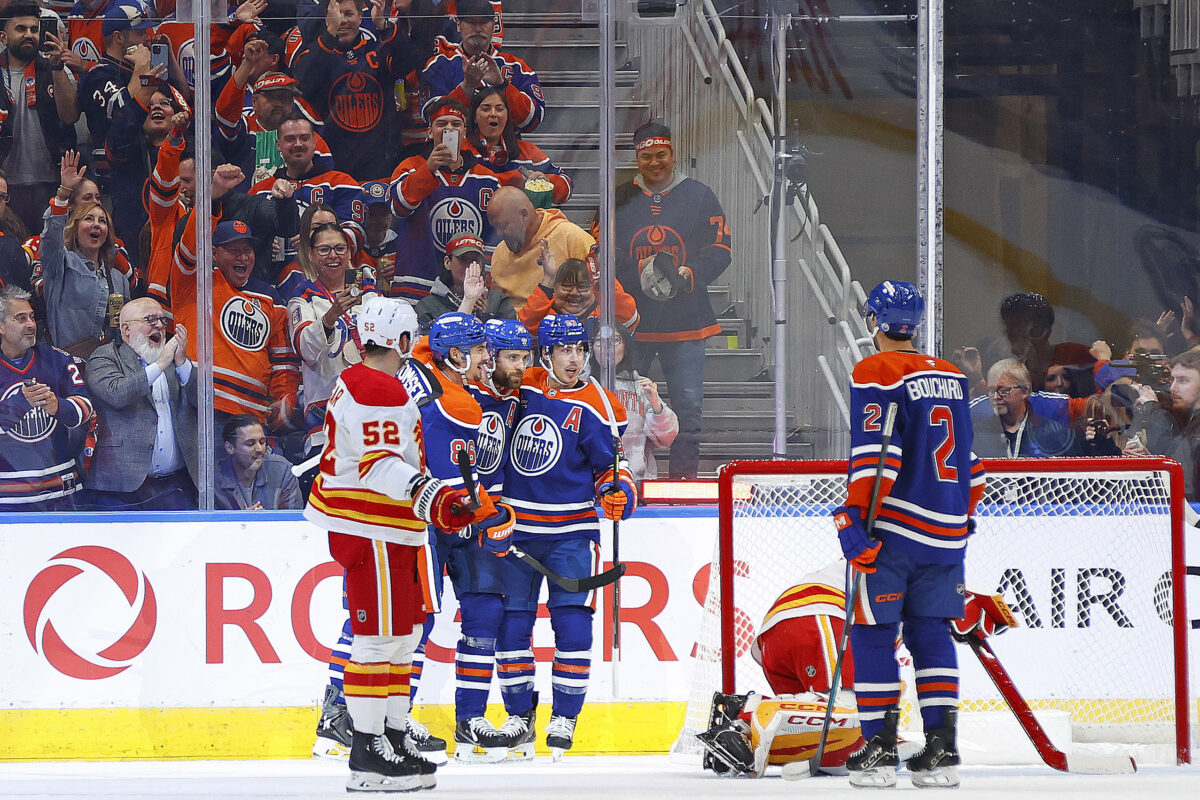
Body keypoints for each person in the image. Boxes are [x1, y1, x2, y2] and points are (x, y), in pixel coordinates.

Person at [304, 295, 478, 792]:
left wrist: (435, 498)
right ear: (401, 340)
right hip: (370, 528)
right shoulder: (375, 387)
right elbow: (378, 466)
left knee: (402, 639)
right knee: (378, 641)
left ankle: (394, 735)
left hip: (391, 527)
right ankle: (367, 750)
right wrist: (434, 496)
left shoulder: (369, 381)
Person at [835, 280, 985, 789]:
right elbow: (973, 466)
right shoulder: (952, 375)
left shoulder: (875, 369)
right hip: (945, 535)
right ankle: (942, 750)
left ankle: (879, 748)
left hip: (894, 531)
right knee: (931, 633)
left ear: (874, 321)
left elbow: (881, 456)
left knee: (873, 632)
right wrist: (960, 520)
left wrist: (855, 519)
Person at [495, 313, 635, 759]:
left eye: (579, 350)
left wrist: (620, 491)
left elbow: (611, 469)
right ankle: (519, 716)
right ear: (546, 353)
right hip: (517, 530)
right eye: (564, 350)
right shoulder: (524, 386)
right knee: (512, 626)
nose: (573, 359)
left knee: (573, 625)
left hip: (571, 532)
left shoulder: (602, 404)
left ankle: (565, 716)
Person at [399, 311, 518, 763]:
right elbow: (454, 489)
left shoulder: (425, 363)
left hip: (457, 514)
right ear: (455, 355)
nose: (488, 359)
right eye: (481, 351)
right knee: (418, 621)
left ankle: (470, 722)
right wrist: (495, 515)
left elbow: (429, 340)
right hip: (432, 517)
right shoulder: (458, 404)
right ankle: (394, 719)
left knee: (485, 613)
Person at [612, 121, 732, 479]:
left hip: (688, 322)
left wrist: (685, 274)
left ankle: (684, 485)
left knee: (688, 409)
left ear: (673, 154)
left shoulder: (700, 195)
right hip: (632, 325)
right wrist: (640, 271)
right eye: (646, 156)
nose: (654, 162)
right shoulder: (618, 196)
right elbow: (603, 251)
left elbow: (720, 250)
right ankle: (623, 478)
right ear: (637, 158)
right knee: (623, 408)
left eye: (661, 154)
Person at [170, 167, 302, 454]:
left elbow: (283, 362)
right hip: (203, 409)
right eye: (233, 250)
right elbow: (191, 246)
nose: (243, 256)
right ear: (213, 253)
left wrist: (284, 398)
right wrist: (211, 195)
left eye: (248, 250)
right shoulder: (193, 283)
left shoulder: (270, 297)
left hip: (252, 421)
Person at [387, 98, 516, 301]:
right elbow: (397, 208)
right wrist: (428, 169)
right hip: (416, 288)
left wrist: (486, 282)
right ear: (430, 131)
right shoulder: (410, 167)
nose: (449, 128)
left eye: (456, 124)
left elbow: (494, 238)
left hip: (467, 289)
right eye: (441, 124)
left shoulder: (486, 179)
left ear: (465, 132)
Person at [84, 297, 198, 511]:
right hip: (121, 489)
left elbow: (203, 402)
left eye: (163, 321)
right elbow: (117, 394)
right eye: (150, 319)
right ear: (126, 329)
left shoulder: (175, 359)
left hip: (176, 485)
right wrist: (160, 364)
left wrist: (182, 363)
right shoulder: (103, 357)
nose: (159, 326)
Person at [291, 0, 417, 180]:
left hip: (379, 167)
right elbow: (304, 79)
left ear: (360, 16)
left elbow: (411, 62)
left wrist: (384, 25)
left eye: (348, 14)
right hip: (332, 167)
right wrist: (330, 33)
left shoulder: (378, 50)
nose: (342, 21)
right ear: (326, 20)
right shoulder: (314, 54)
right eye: (336, 15)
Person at [287, 222, 378, 456]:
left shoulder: (372, 296)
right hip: (326, 420)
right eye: (324, 250)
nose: (333, 256)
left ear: (349, 253)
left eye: (340, 248)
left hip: (372, 414)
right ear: (310, 254)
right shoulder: (302, 299)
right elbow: (305, 349)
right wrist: (330, 317)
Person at [0, 285, 93, 511]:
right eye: (20, 319)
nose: (31, 324)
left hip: (62, 490)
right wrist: (20, 403)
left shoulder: (55, 359)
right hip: (8, 497)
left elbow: (86, 407)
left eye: (32, 317)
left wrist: (57, 406)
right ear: (1, 326)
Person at [41, 151, 132, 355]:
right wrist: (63, 193)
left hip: (105, 367)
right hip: (66, 367)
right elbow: (50, 237)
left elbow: (121, 331)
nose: (96, 225)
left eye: (102, 221)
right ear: (75, 225)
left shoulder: (118, 279)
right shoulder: (61, 262)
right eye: (89, 219)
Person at [0, 2, 79, 235]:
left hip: (51, 182)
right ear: (3, 37)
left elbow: (70, 116)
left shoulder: (55, 68)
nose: (29, 35)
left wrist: (57, 68)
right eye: (21, 29)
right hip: (6, 185)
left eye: (34, 29)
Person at [249, 114, 363, 269]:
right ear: (278, 145)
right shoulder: (259, 190)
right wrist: (261, 242)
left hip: (327, 281)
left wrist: (316, 240)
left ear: (314, 142)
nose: (297, 144)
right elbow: (246, 237)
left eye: (304, 138)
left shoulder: (342, 184)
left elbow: (357, 234)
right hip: (274, 281)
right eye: (290, 139)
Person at [419, 0, 543, 135]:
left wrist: (501, 85)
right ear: (459, 25)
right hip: (455, 152)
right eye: (471, 22)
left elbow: (532, 121)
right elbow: (431, 117)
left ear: (494, 25)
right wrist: (466, 88)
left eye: (484, 22)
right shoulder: (438, 65)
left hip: (505, 153)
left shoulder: (516, 67)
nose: (478, 28)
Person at [592, 322, 675, 483]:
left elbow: (666, 438)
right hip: (591, 482)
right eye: (599, 341)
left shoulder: (641, 386)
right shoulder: (582, 385)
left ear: (626, 348)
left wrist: (656, 405)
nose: (607, 347)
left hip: (635, 481)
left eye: (615, 340)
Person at [77, 4, 156, 171]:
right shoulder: (97, 75)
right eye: (140, 33)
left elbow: (180, 99)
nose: (147, 38)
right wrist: (141, 68)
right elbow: (124, 112)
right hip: (113, 175)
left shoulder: (140, 68)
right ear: (118, 37)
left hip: (143, 166)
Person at [488, 186, 595, 309]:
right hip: (508, 324)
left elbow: (600, 294)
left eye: (503, 225)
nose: (499, 233)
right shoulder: (500, 251)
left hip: (556, 323)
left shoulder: (572, 238)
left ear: (524, 215)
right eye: (495, 227)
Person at [466, 86, 570, 205]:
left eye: (499, 109)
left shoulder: (527, 152)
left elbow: (566, 186)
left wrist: (546, 181)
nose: (493, 114)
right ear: (474, 117)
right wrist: (514, 179)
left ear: (507, 116)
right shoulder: (463, 151)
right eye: (486, 109)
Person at [1126, 348, 1200, 498]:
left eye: (1183, 380)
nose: (1173, 388)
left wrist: (1153, 409)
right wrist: (1149, 459)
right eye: (1172, 380)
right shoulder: (1188, 420)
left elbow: (1175, 465)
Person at [517, 253, 640, 339]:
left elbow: (628, 317)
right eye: (566, 286)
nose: (574, 293)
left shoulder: (604, 315)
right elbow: (525, 327)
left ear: (594, 289)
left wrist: (604, 277)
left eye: (582, 287)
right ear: (554, 289)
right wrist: (548, 278)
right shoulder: (546, 317)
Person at [971, 358, 1075, 458]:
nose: (995, 397)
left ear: (1025, 391)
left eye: (1004, 390)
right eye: (991, 391)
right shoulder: (975, 435)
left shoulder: (1052, 433)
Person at [413, 233, 515, 330]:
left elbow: (509, 341)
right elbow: (429, 344)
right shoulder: (427, 306)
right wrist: (467, 306)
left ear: (482, 265)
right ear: (447, 262)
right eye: (463, 259)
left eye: (475, 260)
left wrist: (485, 317)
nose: (469, 266)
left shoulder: (498, 300)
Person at [214, 414, 303, 510]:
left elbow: (294, 520)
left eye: (262, 442)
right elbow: (204, 523)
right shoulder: (212, 480)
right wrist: (241, 521)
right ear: (230, 448)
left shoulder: (282, 470)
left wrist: (265, 520)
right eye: (250, 444)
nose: (259, 449)